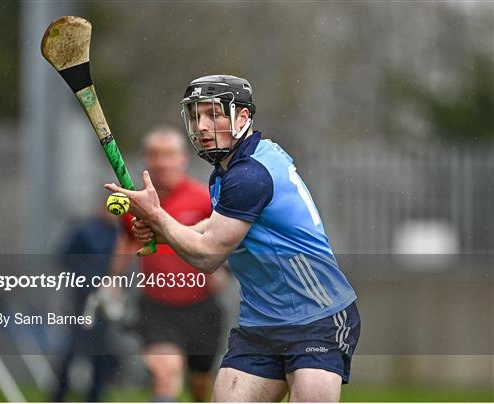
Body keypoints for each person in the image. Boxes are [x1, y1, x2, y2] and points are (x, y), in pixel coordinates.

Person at [105, 75, 360, 402]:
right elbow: (214, 228)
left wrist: (157, 217)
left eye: (215, 114)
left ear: (243, 117)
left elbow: (209, 256)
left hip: (317, 317)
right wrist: (162, 229)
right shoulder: (231, 169)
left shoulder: (249, 175)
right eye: (197, 115)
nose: (203, 125)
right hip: (262, 324)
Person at [110, 126, 226, 402]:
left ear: (183, 158)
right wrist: (112, 281)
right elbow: (127, 241)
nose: (162, 162)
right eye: (154, 155)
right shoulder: (135, 203)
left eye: (169, 155)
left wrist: (223, 270)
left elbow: (224, 238)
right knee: (166, 373)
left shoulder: (203, 198)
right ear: (145, 160)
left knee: (200, 384)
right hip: (156, 307)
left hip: (201, 307)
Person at [51, 204, 120, 402]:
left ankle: (95, 396)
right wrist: (87, 281)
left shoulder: (121, 234)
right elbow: (64, 258)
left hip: (106, 303)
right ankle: (58, 395)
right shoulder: (85, 231)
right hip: (83, 301)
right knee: (73, 348)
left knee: (102, 351)